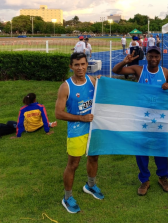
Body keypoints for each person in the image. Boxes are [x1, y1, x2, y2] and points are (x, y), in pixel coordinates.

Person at [112, 46, 168, 196]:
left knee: (160, 147)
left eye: (156, 56)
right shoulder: (139, 70)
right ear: (146, 56)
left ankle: (163, 177)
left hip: (160, 117)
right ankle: (144, 180)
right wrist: (124, 62)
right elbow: (116, 71)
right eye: (151, 56)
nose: (153, 59)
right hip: (141, 117)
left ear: (160, 57)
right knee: (141, 148)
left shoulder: (164, 71)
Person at [55, 52, 104, 214]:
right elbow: (58, 113)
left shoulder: (92, 80)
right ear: (71, 67)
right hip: (77, 131)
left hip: (93, 129)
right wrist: (81, 118)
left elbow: (103, 96)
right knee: (73, 165)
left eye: (83, 64)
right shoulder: (66, 86)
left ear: (86, 64)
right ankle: (67, 197)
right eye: (76, 65)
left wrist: (104, 84)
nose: (80, 67)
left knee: (94, 157)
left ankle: (90, 186)